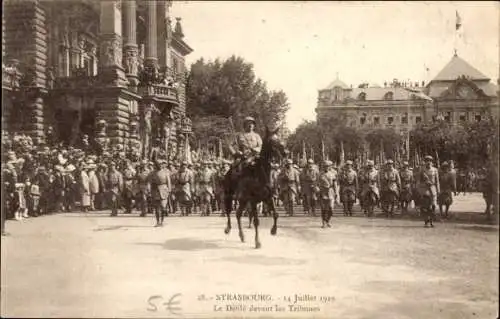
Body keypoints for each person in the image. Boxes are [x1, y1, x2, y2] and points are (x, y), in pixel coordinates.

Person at [318, 160, 338, 228]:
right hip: (323, 192)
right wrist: (317, 189)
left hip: (330, 191)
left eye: (328, 166)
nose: (326, 167)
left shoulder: (333, 174)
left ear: (330, 167)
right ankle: (324, 222)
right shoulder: (320, 174)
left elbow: (335, 184)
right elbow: (316, 183)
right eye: (325, 166)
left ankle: (327, 221)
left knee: (331, 209)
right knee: (323, 209)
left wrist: (336, 193)